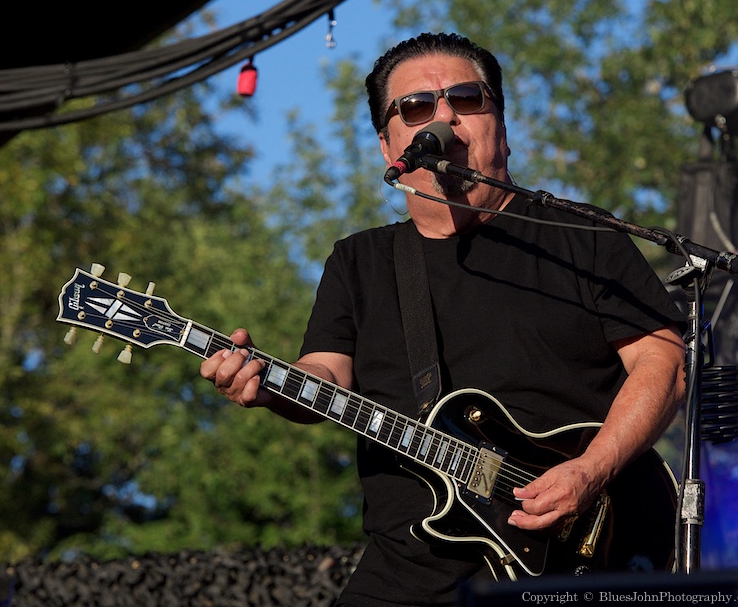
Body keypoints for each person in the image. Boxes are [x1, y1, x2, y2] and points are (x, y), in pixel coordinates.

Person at [200, 32, 686, 606]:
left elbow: (664, 362)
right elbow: (325, 374)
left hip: (572, 560)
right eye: (417, 108)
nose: (445, 116)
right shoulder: (361, 261)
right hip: (407, 570)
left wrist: (590, 471)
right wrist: (266, 384)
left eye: (468, 100)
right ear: (388, 146)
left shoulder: (578, 235)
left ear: (500, 125)